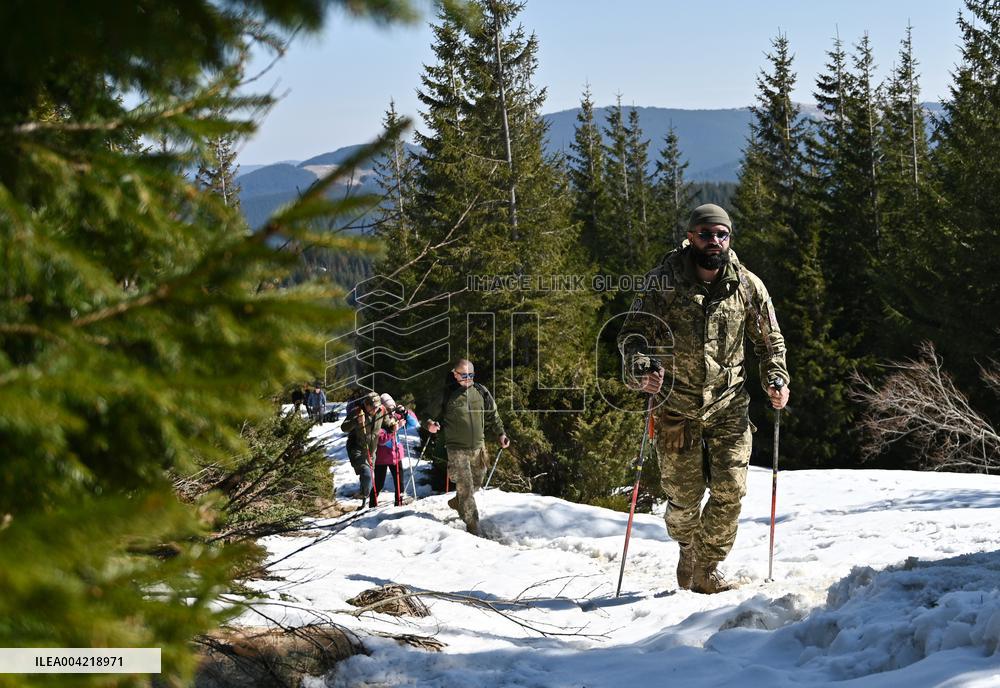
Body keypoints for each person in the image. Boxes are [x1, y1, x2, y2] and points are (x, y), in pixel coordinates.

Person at [617, 203, 790, 594]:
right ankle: (687, 550)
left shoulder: (747, 286)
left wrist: (776, 377)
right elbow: (633, 334)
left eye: (722, 234)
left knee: (731, 490)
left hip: (729, 404)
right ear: (691, 236)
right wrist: (641, 366)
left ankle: (707, 566)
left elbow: (769, 341)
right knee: (683, 500)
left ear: (730, 238)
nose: (715, 241)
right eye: (707, 234)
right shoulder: (662, 282)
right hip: (676, 406)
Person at [425, 359, 509, 535]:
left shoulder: (481, 391)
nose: (468, 378)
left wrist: (501, 434)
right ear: (455, 374)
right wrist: (430, 424)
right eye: (464, 375)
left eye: (471, 375)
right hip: (457, 449)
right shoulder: (447, 394)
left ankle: (458, 502)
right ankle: (473, 526)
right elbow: (426, 415)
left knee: (476, 484)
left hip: (479, 448)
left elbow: (493, 415)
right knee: (466, 488)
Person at [341, 391, 397, 507]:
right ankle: (363, 494)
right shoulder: (357, 412)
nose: (375, 409)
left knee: (369, 477)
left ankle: (363, 503)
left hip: (372, 450)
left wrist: (392, 426)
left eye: (377, 406)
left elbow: (387, 424)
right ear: (366, 405)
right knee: (366, 474)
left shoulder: (381, 410)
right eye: (373, 406)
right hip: (356, 448)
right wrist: (356, 421)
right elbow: (344, 427)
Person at [374, 394, 408, 506]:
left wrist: (405, 412)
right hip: (382, 457)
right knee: (379, 483)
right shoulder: (379, 420)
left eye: (393, 408)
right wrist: (395, 428)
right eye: (388, 408)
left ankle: (399, 503)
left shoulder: (395, 417)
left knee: (399, 482)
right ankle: (372, 505)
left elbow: (413, 424)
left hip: (396, 455)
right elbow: (381, 439)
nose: (391, 411)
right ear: (382, 408)